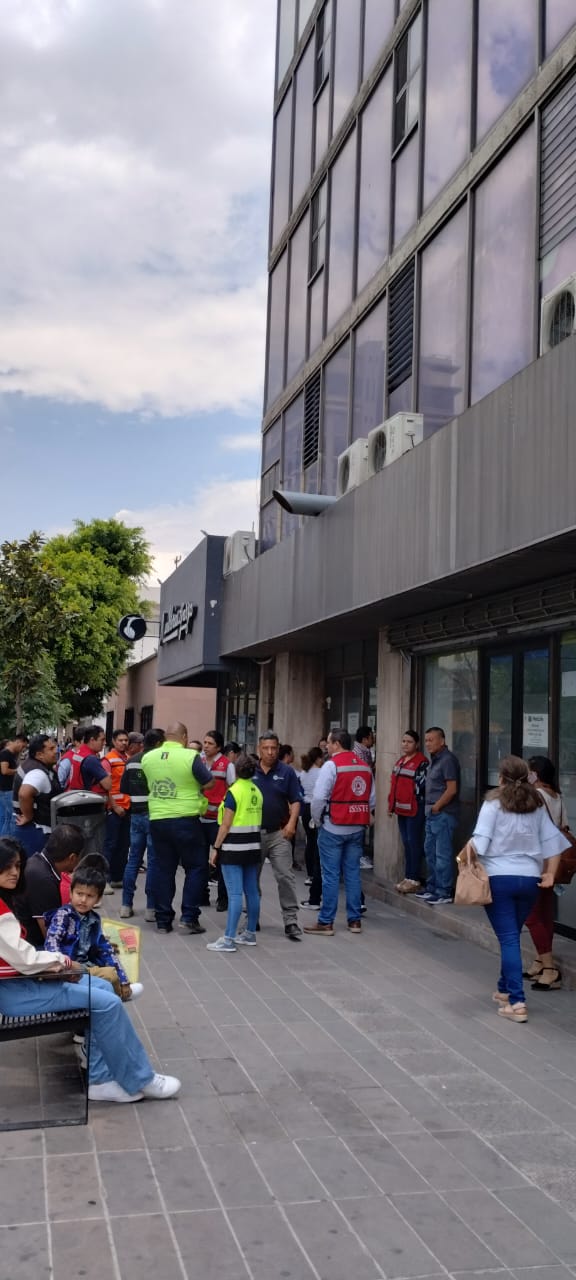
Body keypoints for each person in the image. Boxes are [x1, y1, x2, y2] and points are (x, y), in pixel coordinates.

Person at [0, 836, 180, 1103]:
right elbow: (23, 958)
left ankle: (101, 1078)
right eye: (7, 866)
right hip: (14, 991)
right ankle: (139, 1078)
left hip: (20, 983)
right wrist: (63, 962)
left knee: (105, 988)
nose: (14, 872)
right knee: (107, 1003)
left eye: (17, 865)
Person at [471, 755, 570, 1023]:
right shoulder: (535, 805)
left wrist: (462, 860)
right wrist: (550, 874)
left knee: (508, 939)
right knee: (512, 935)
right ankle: (504, 990)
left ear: (500, 778)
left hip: (499, 879)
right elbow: (554, 843)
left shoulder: (493, 804)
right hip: (529, 881)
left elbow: (479, 842)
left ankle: (517, 1002)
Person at [140, 722, 213, 934]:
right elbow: (209, 782)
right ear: (184, 737)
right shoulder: (190, 756)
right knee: (196, 867)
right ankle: (189, 917)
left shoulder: (148, 758)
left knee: (164, 869)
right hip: (186, 819)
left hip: (158, 819)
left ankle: (163, 920)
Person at [304, 729, 374, 936]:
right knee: (353, 874)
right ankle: (354, 921)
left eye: (328, 742)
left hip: (333, 826)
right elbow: (371, 800)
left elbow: (318, 798)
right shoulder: (364, 766)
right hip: (356, 827)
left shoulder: (331, 765)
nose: (326, 746)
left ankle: (326, 922)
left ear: (336, 744)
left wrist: (317, 820)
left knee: (331, 875)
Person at [44, 858, 143, 1000]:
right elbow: (52, 942)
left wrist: (124, 979)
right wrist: (64, 965)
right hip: (69, 969)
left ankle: (120, 992)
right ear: (71, 893)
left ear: (98, 899)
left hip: (87, 966)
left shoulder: (94, 919)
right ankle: (121, 996)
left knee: (113, 969)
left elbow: (106, 950)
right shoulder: (64, 915)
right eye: (79, 894)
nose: (83, 900)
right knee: (110, 975)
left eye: (89, 896)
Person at [206, 753, 263, 953]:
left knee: (235, 893)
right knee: (252, 891)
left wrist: (216, 847)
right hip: (253, 847)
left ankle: (229, 938)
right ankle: (249, 933)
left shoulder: (234, 792)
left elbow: (226, 824)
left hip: (233, 848)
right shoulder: (257, 791)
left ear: (236, 770)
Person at [524, 755, 568, 991]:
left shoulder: (537, 795)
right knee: (545, 914)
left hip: (537, 861)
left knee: (531, 916)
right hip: (552, 860)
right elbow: (564, 826)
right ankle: (540, 960)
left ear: (536, 774)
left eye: (529, 771)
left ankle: (550, 968)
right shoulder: (557, 796)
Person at [254, 732, 302, 941]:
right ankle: (252, 917)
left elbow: (296, 800)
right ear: (259, 749)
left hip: (279, 833)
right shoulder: (250, 770)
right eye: (266, 748)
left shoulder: (287, 772)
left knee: (285, 876)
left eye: (273, 748)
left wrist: (292, 824)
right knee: (251, 878)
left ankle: (291, 920)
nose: (270, 752)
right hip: (253, 834)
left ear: (278, 748)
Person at [120, 728, 164, 922]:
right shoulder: (158, 761)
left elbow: (124, 788)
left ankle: (125, 905)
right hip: (154, 813)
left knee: (133, 860)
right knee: (153, 861)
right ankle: (151, 908)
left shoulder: (131, 761)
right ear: (158, 743)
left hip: (136, 814)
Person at [415, 727, 461, 905]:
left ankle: (444, 891)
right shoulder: (435, 760)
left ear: (442, 741)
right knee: (430, 852)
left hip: (443, 813)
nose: (428, 743)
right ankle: (432, 886)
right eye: (426, 740)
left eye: (431, 740)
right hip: (431, 813)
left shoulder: (447, 760)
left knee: (442, 854)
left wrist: (437, 807)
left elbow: (451, 789)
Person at [22, 824, 85, 945]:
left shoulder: (39, 862)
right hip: (32, 947)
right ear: (72, 857)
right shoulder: (43, 879)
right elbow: (52, 938)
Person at [388, 730, 428, 893]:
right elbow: (394, 786)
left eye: (409, 742)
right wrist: (391, 806)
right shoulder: (400, 761)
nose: (405, 744)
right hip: (401, 810)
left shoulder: (422, 762)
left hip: (415, 810)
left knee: (414, 843)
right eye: (403, 741)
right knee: (406, 843)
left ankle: (414, 878)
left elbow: (421, 788)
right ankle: (408, 876)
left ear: (417, 744)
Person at [200, 730, 235, 912]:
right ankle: (202, 895)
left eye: (210, 743)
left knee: (220, 860)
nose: (206, 746)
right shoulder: (199, 762)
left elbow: (233, 790)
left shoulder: (227, 765)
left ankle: (223, 898)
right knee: (200, 860)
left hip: (218, 821)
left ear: (219, 747)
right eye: (205, 742)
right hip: (200, 818)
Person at [12, 734, 62, 859]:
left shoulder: (34, 765)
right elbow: (24, 794)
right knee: (36, 866)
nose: (56, 751)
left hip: (31, 829)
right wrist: (28, 816)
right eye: (51, 749)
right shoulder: (38, 773)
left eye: (55, 747)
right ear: (39, 755)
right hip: (36, 830)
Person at [103, 729, 131, 890]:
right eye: (120, 740)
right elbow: (105, 787)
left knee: (123, 845)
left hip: (127, 808)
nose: (124, 743)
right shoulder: (108, 760)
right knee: (110, 845)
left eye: (126, 740)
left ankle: (117, 877)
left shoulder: (127, 759)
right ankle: (105, 880)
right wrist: (114, 806)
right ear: (114, 741)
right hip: (114, 809)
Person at [298, 748, 324, 882]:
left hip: (306, 809)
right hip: (317, 807)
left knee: (310, 841)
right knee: (317, 842)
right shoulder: (320, 772)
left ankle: (310, 874)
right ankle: (317, 873)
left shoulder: (304, 773)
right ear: (318, 758)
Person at [354, 726, 375, 869]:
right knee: (359, 827)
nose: (373, 740)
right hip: (361, 796)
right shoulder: (359, 754)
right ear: (365, 739)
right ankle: (358, 856)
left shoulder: (364, 752)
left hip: (363, 795)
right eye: (371, 737)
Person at [0, 734, 27, 836]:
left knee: (5, 817)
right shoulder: (5, 754)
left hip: (6, 789)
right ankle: (8, 839)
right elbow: (4, 771)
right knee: (12, 817)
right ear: (18, 741)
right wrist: (17, 771)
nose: (22, 749)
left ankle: (3, 839)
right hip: (6, 790)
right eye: (23, 746)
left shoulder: (11, 754)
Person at [57, 726, 84, 790]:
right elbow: (60, 782)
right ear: (77, 742)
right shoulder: (67, 760)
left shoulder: (89, 756)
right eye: (85, 741)